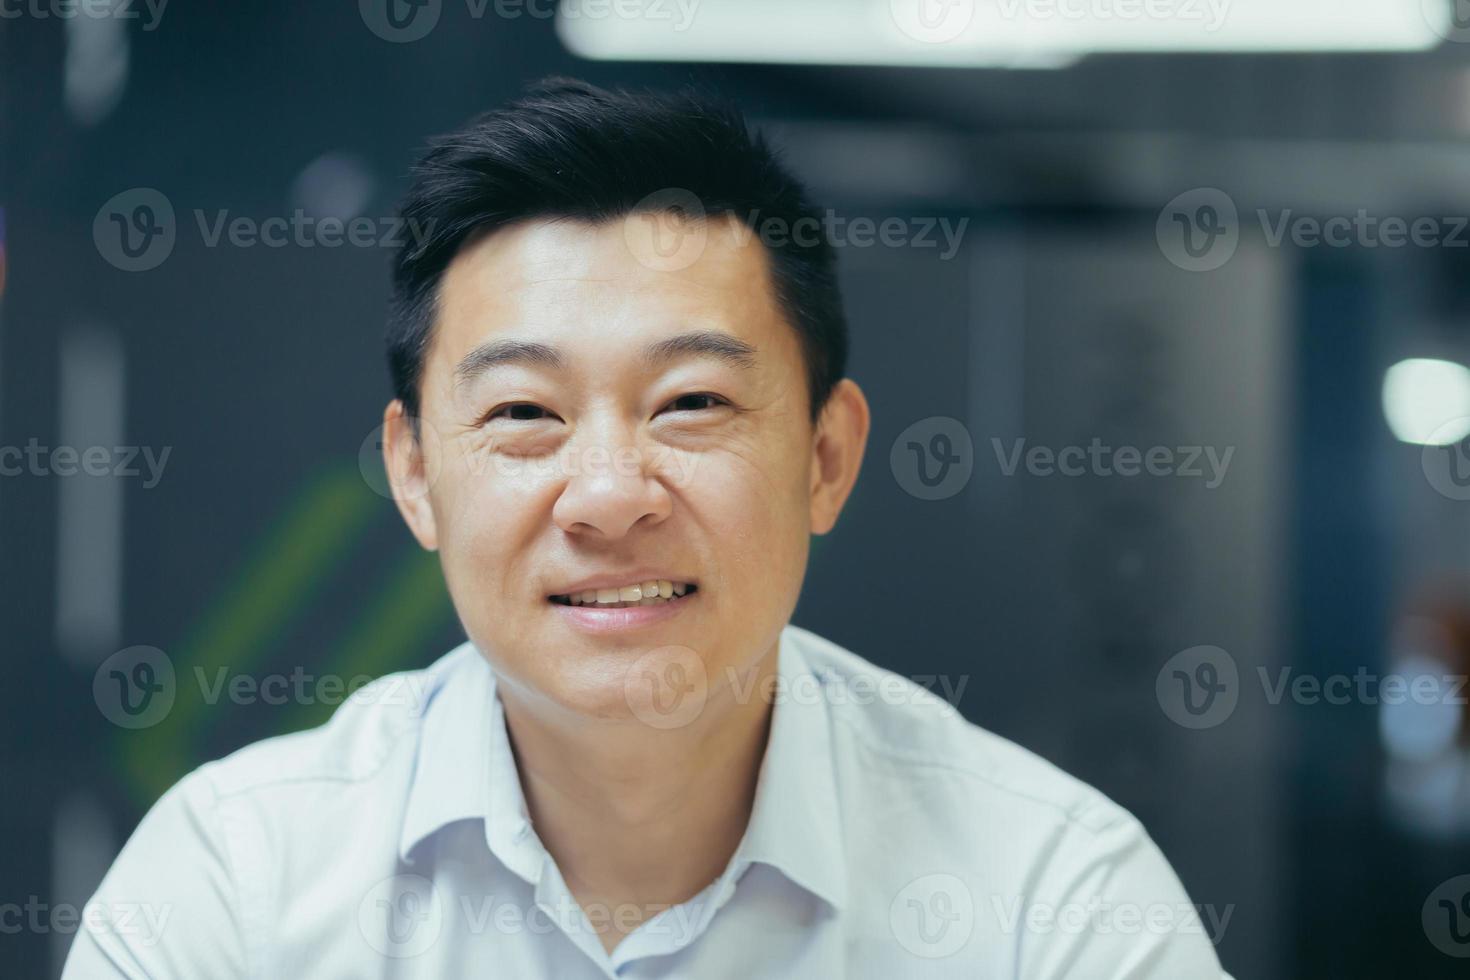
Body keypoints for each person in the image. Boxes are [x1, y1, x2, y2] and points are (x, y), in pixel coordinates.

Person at [64, 77, 1230, 978]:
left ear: (826, 458)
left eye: (693, 404)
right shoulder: (238, 879)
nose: (611, 492)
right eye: (525, 412)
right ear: (414, 473)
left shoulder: (1051, 896)